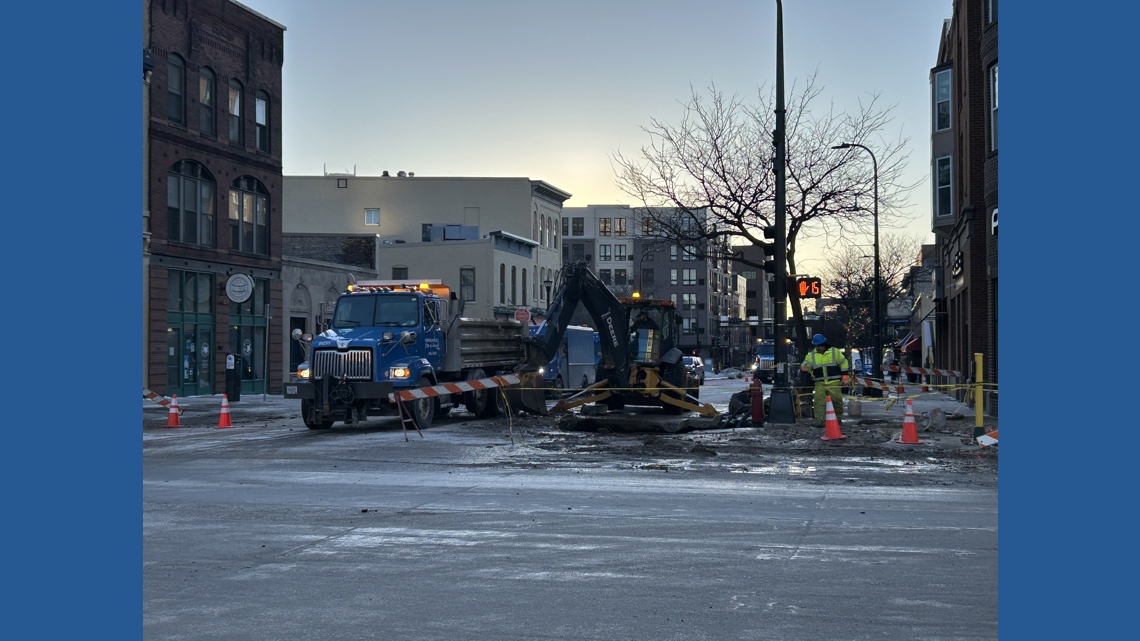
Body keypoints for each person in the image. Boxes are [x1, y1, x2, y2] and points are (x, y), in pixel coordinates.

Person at [800, 334, 850, 426]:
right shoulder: (811, 355)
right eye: (816, 346)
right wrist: (804, 367)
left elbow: (844, 364)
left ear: (824, 344)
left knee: (837, 401)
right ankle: (820, 421)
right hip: (820, 384)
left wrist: (845, 378)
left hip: (834, 383)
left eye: (819, 345)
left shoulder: (835, 352)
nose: (818, 348)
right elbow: (806, 364)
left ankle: (838, 419)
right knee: (819, 403)